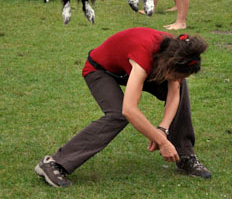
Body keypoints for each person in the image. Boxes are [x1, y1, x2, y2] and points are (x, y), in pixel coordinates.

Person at [35, 27, 212, 188]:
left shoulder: (177, 50)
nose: (179, 79)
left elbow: (174, 93)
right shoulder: (144, 56)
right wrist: (162, 142)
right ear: (168, 64)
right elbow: (129, 110)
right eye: (178, 75)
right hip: (100, 70)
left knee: (180, 88)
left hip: (130, 68)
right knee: (117, 114)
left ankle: (184, 155)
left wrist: (162, 131)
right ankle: (54, 163)